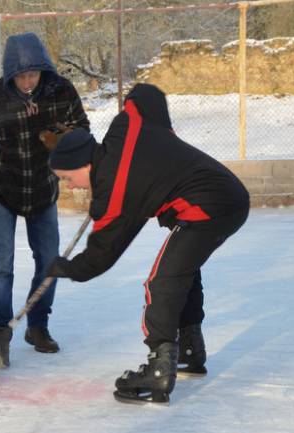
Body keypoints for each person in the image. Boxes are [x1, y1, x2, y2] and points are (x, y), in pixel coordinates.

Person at [46, 83, 250, 405]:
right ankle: (189, 350)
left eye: (68, 178)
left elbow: (102, 255)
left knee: (163, 279)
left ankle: (159, 369)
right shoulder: (127, 127)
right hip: (229, 197)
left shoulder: (115, 189)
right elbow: (147, 96)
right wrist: (129, 99)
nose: (70, 186)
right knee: (182, 270)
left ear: (82, 165)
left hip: (209, 206)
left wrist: (69, 268)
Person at [0, 32, 89, 369]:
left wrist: (65, 138)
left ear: (43, 70)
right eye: (20, 75)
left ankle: (37, 326)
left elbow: (83, 129)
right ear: (9, 74)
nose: (27, 81)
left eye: (33, 74)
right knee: (1, 265)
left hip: (43, 189)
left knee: (49, 260)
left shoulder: (61, 91)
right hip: (3, 190)